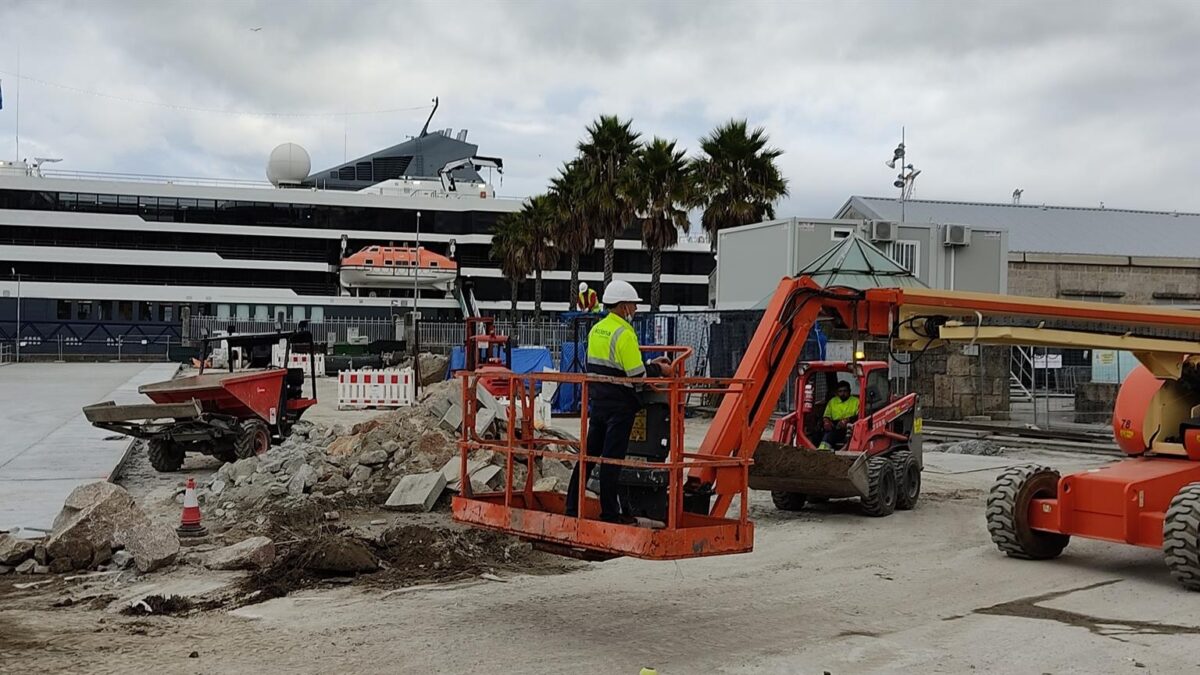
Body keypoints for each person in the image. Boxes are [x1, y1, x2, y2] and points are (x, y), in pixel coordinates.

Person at [565, 280, 671, 523]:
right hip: (620, 407)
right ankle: (610, 514)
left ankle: (571, 509)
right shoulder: (625, 334)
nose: (634, 310)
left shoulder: (596, 330)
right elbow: (638, 376)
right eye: (633, 305)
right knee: (612, 461)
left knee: (588, 458)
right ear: (623, 306)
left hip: (598, 403)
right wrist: (659, 369)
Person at [818, 381, 860, 450]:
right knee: (820, 434)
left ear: (849, 391)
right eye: (840, 391)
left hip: (851, 427)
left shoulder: (856, 401)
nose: (842, 393)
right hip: (835, 426)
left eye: (845, 391)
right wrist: (826, 422)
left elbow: (860, 416)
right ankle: (822, 452)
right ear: (837, 392)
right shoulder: (832, 401)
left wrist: (847, 420)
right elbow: (826, 415)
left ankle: (824, 450)